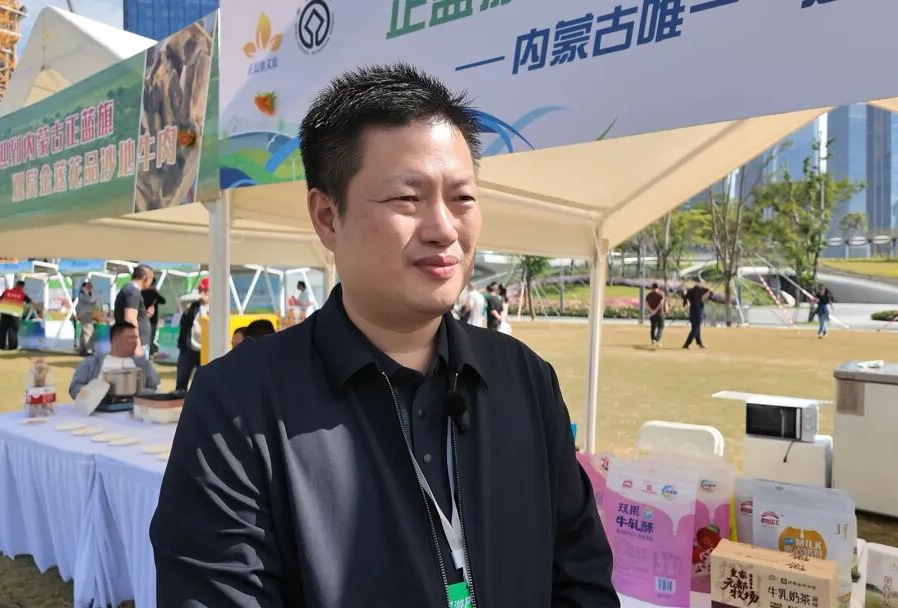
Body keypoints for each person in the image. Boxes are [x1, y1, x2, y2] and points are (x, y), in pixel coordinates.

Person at [151, 65, 616, 607]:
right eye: (406, 199)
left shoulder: (526, 380)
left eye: (462, 199)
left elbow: (581, 577)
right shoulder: (237, 406)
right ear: (328, 216)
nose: (444, 228)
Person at [69, 321, 160, 399]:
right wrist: (95, 393)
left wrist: (136, 393)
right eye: (130, 338)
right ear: (115, 339)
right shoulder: (91, 363)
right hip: (99, 411)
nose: (135, 341)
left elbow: (156, 389)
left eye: (136, 338)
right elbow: (74, 388)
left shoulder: (143, 364)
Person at [175, 278, 209, 392]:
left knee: (203, 382)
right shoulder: (192, 305)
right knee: (182, 379)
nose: (204, 293)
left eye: (206, 290)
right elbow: (182, 300)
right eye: (202, 290)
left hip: (205, 350)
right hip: (188, 347)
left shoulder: (216, 307)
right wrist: (198, 296)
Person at [114, 265, 154, 357]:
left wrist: (144, 315)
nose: (151, 282)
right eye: (151, 278)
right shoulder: (133, 292)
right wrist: (137, 345)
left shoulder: (128, 289)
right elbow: (130, 319)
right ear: (145, 278)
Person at [0, 280, 32, 350]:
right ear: (22, 287)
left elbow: (0, 299)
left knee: (2, 330)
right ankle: (12, 346)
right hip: (15, 314)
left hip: (4, 313)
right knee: (13, 331)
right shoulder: (22, 294)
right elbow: (29, 302)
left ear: (16, 285)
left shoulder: (7, 291)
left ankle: (1, 346)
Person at [682, 281, 712, 349]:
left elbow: (684, 296)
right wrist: (709, 290)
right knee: (695, 329)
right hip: (698, 311)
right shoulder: (700, 290)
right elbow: (708, 294)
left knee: (696, 328)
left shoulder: (690, 291)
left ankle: (700, 343)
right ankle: (687, 344)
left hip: (692, 311)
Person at [141, 284, 167, 356]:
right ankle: (149, 355)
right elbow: (163, 301)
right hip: (152, 320)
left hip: (142, 320)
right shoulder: (154, 293)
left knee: (143, 339)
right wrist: (156, 292)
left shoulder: (141, 292)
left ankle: (143, 355)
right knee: (151, 339)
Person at [75, 282, 97, 356]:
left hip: (87, 315)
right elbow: (92, 300)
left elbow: (94, 302)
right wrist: (90, 291)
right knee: (88, 332)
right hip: (85, 315)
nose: (89, 288)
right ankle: (88, 349)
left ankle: (82, 349)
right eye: (87, 287)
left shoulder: (86, 295)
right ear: (83, 288)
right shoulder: (82, 295)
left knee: (84, 333)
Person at [645, 283, 666, 347]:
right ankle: (656, 339)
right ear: (658, 287)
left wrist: (651, 310)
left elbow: (646, 303)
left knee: (653, 328)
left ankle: (653, 341)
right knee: (661, 327)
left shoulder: (649, 295)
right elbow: (661, 303)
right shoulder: (661, 294)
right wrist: (655, 311)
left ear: (652, 287)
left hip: (652, 314)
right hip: (659, 313)